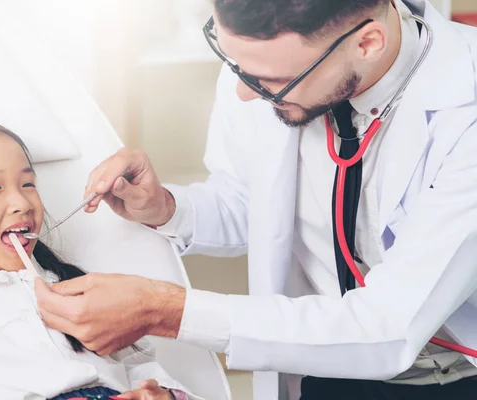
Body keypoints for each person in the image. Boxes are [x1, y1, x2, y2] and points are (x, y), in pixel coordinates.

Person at [34, 0, 477, 399]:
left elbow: (387, 326)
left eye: (271, 82)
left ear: (368, 43)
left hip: (454, 378)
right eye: (235, 67)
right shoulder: (261, 61)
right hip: (321, 365)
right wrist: (167, 208)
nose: (244, 94)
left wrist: (164, 311)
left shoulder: (466, 115)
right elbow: (254, 203)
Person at [0, 118, 199, 400]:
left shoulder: (81, 292)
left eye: (28, 184)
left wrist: (162, 393)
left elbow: (142, 368)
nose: (22, 201)